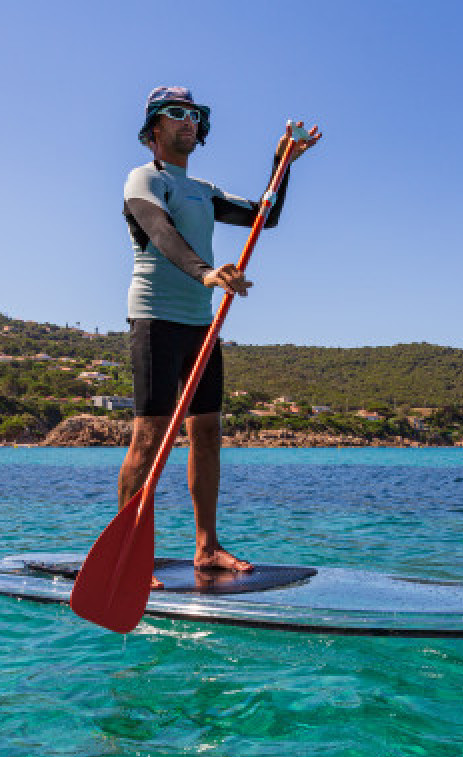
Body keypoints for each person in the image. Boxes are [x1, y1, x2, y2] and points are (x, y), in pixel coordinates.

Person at [120, 86, 320, 588]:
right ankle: (128, 550)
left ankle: (206, 547)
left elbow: (264, 216)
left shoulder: (204, 190)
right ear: (154, 129)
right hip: (155, 319)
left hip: (199, 325)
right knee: (148, 435)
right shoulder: (145, 179)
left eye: (194, 115)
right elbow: (160, 231)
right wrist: (205, 272)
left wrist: (283, 162)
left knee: (206, 432)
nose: (188, 121)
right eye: (175, 114)